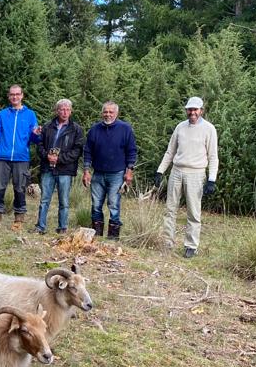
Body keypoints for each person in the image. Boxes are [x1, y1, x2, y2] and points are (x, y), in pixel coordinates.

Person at [153, 96, 219, 258]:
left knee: (193, 212)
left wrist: (211, 179)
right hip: (177, 171)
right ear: (186, 111)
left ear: (201, 111)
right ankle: (168, 241)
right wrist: (160, 171)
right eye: (190, 109)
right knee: (170, 208)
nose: (192, 112)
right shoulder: (180, 127)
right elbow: (170, 151)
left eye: (195, 109)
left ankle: (191, 245)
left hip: (196, 173)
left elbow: (213, 156)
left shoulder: (209, 129)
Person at [0, 84, 39, 229]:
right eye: (12, 94)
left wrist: (37, 134)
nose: (15, 97)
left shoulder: (30, 114)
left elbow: (35, 139)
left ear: (22, 96)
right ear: (9, 96)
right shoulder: (3, 114)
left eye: (17, 94)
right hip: (3, 157)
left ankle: (19, 220)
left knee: (20, 189)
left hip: (21, 158)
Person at [82, 101, 138, 240]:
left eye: (111, 112)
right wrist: (86, 170)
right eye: (105, 112)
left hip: (117, 174)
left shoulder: (125, 129)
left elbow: (131, 151)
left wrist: (129, 170)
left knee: (113, 204)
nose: (108, 114)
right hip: (98, 173)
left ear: (116, 113)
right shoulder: (94, 130)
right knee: (96, 204)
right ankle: (96, 234)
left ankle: (113, 237)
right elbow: (87, 151)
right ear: (102, 113)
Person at [34, 99, 85, 235]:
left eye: (68, 109)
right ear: (57, 111)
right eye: (62, 109)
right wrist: (47, 156)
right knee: (44, 199)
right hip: (47, 168)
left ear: (71, 111)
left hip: (65, 170)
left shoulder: (76, 129)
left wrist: (59, 158)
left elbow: (77, 151)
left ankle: (62, 227)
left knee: (64, 200)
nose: (65, 112)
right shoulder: (47, 126)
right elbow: (39, 145)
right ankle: (40, 226)